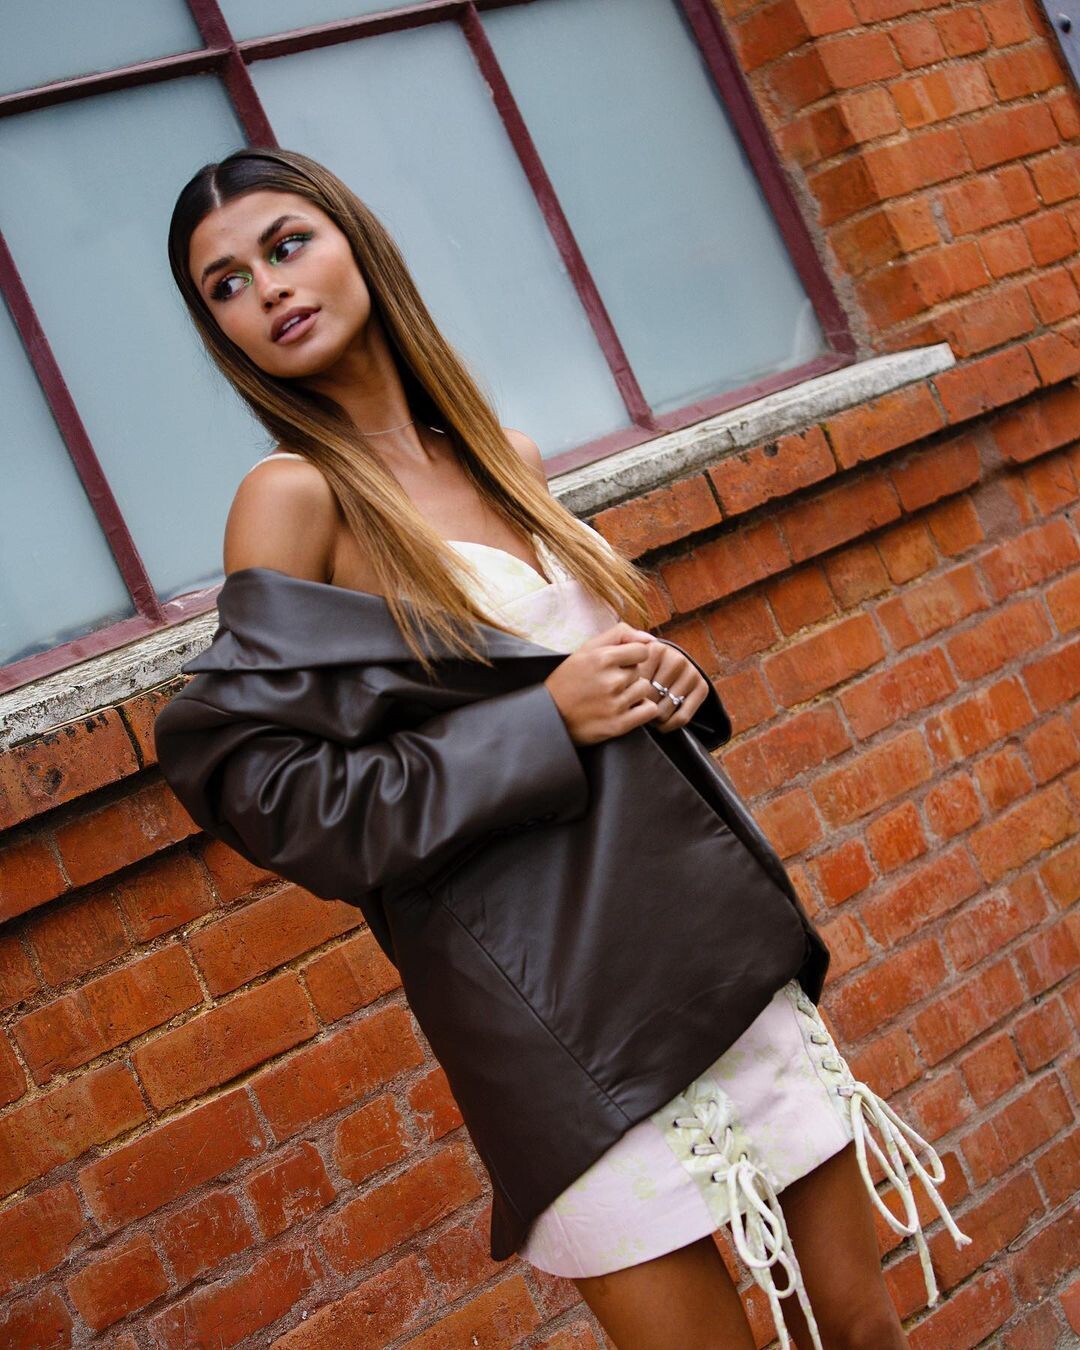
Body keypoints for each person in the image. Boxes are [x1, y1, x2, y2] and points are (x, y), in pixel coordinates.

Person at [161, 146, 969, 1349]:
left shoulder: (504, 455)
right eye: (225, 284)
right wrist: (546, 721)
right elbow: (271, 793)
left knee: (859, 1330)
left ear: (355, 244)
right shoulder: (293, 500)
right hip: (556, 1028)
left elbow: (564, 672)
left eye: (287, 245)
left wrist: (665, 683)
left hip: (707, 955)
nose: (267, 287)